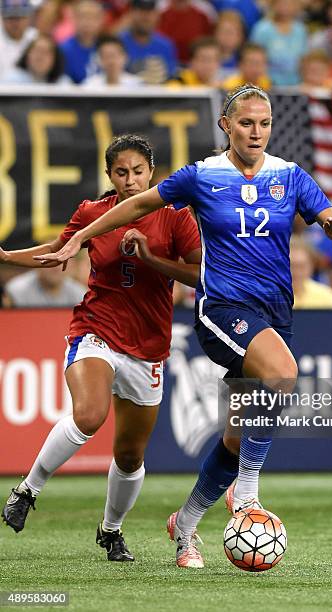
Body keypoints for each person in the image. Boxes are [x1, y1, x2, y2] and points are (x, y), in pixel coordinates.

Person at [35, 84, 332, 569]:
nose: (256, 132)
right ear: (225, 126)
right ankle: (246, 497)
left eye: (264, 124)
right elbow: (138, 206)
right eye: (246, 123)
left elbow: (329, 217)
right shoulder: (203, 176)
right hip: (222, 306)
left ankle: (184, 523)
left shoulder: (289, 177)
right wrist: (80, 235)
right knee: (283, 374)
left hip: (274, 312)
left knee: (235, 437)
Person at [1, 134, 201, 563]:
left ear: (153, 172)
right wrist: (4, 256)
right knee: (89, 414)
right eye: (121, 172)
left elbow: (196, 275)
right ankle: (27, 490)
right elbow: (58, 251)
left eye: (138, 172)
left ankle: (111, 531)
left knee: (130, 456)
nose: (130, 180)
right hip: (96, 328)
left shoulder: (176, 217)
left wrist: (149, 257)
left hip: (148, 346)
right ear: (109, 175)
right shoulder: (94, 213)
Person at [250, 0, 308, 85]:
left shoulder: (301, 30)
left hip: (296, 84)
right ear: (273, 4)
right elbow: (253, 58)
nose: (285, 7)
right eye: (281, 3)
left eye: (289, 3)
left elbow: (304, 59)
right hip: (267, 84)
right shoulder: (262, 29)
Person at [119, 0, 177, 85]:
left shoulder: (166, 45)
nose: (145, 17)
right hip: (125, 95)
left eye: (150, 12)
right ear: (131, 14)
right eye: (141, 12)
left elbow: (171, 78)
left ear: (157, 15)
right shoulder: (118, 43)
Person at [60, 0, 104, 84]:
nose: (87, 22)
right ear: (73, 19)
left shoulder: (108, 48)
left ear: (101, 20)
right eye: (82, 16)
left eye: (92, 17)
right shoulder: (63, 51)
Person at [290, 236, 332, 308]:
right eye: (291, 266)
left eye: (302, 266)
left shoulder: (326, 296)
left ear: (312, 266)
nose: (296, 272)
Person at [3, 264, 86, 307]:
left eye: (63, 259)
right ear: (37, 261)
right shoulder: (16, 291)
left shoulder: (80, 294)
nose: (56, 267)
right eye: (49, 259)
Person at [2, 33, 71, 84]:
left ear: (55, 59)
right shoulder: (11, 80)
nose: (40, 57)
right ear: (27, 55)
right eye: (37, 51)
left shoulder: (63, 84)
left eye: (46, 52)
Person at [0, 0, 37, 78]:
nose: (16, 22)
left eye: (20, 17)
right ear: (2, 18)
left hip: (31, 88)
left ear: (29, 18)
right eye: (11, 17)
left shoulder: (36, 38)